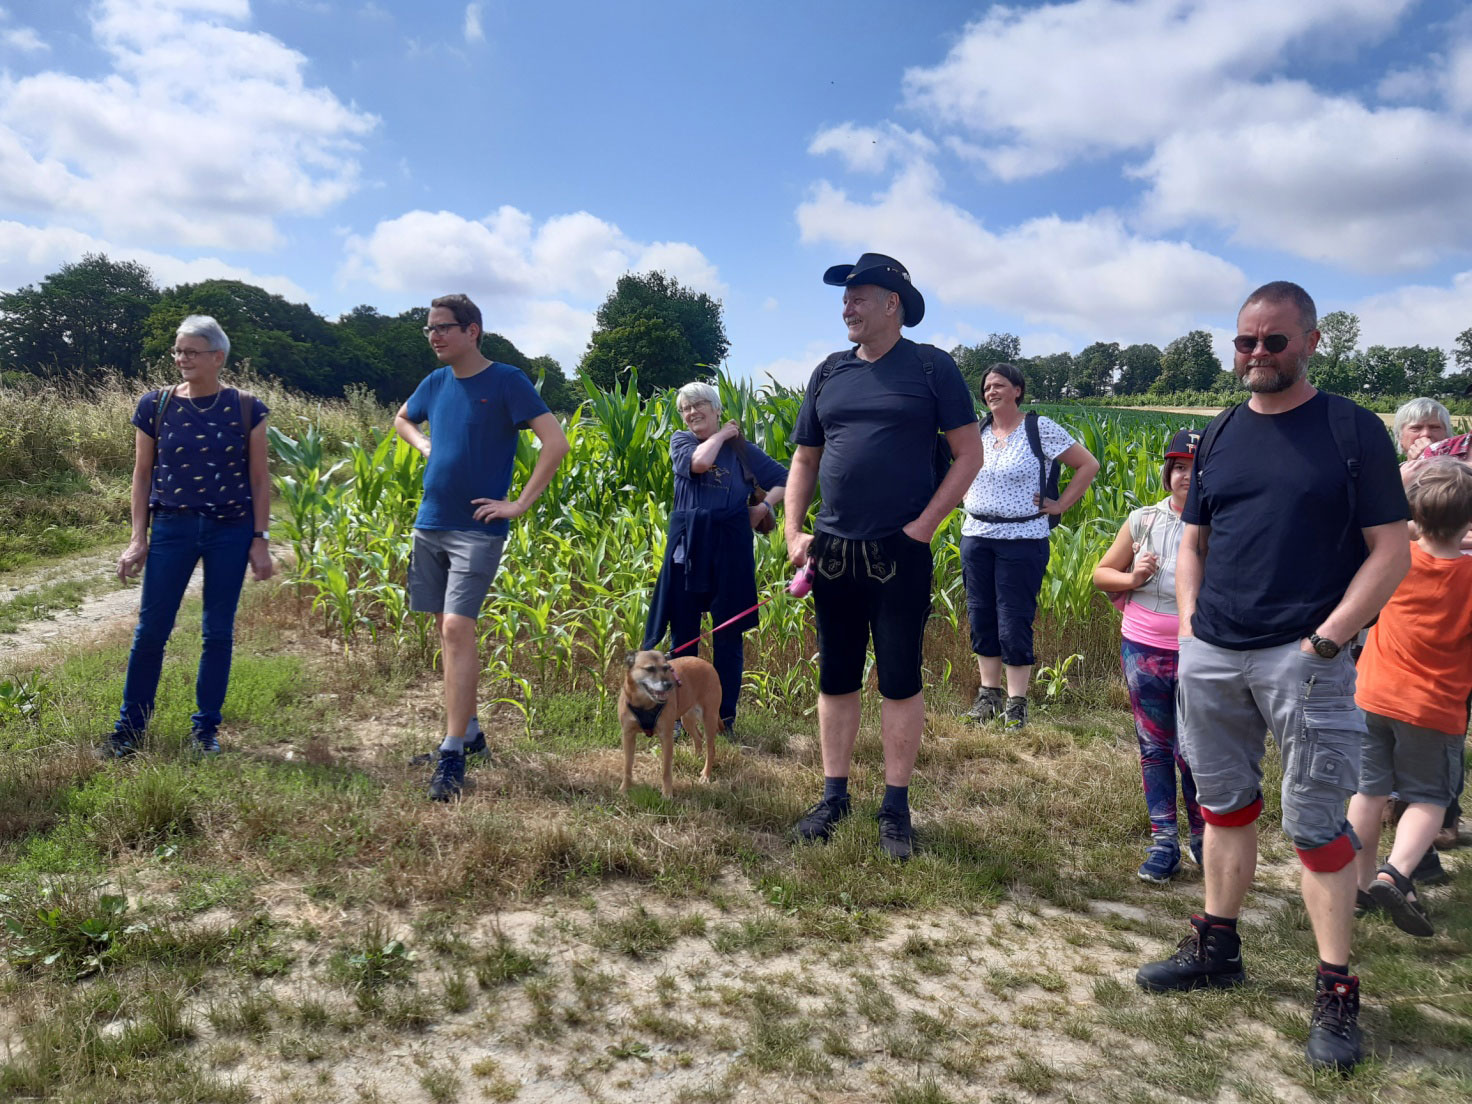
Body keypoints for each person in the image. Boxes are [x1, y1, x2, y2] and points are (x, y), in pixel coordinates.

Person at [1135, 281, 1409, 1073]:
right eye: (1245, 341)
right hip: (1214, 651)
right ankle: (1217, 948)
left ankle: (1335, 989)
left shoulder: (1352, 430)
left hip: (1306, 658)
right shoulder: (1222, 431)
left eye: (1274, 340)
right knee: (1223, 805)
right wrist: (1191, 628)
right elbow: (1194, 540)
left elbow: (1390, 550)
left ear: (1311, 343)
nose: (1257, 353)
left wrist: (1327, 640)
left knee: (1316, 824)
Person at [784, 253, 983, 860]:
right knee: (836, 674)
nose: (847, 307)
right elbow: (805, 459)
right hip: (833, 550)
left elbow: (969, 455)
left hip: (900, 551)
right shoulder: (828, 372)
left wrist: (923, 527)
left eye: (858, 297)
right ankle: (834, 797)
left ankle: (895, 808)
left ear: (892, 303)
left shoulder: (930, 368)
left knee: (899, 678)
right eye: (844, 299)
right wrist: (793, 532)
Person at [394, 294, 569, 801]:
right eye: (429, 328)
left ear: (472, 331)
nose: (434, 336)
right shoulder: (435, 382)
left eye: (443, 327)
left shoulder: (507, 381)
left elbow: (555, 443)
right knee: (445, 630)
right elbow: (403, 418)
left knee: (456, 627)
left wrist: (519, 504)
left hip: (476, 527)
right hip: (431, 522)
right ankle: (469, 734)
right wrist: (424, 445)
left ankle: (451, 752)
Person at [102, 315, 274, 758]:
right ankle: (129, 731)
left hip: (230, 530)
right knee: (151, 632)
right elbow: (142, 475)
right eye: (178, 351)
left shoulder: (247, 408)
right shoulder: (155, 405)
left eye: (191, 351)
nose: (182, 358)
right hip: (172, 528)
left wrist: (260, 539)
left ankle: (205, 732)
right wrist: (138, 538)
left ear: (218, 357)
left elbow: (259, 479)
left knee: (217, 633)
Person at [1345, 459, 1472, 937]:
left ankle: (1359, 886)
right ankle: (1395, 873)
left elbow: (1367, 522)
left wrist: (1398, 482)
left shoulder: (1396, 557)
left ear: (1414, 512)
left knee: (1368, 792)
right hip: (1432, 708)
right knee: (1429, 798)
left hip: (1372, 694)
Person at [643, 381, 787, 734]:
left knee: (729, 635)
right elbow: (700, 463)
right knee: (684, 637)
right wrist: (722, 435)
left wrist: (763, 508)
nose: (692, 412)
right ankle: (679, 718)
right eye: (685, 408)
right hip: (688, 550)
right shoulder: (682, 441)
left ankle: (723, 719)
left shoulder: (743, 451)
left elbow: (786, 478)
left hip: (731, 547)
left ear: (716, 408)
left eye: (699, 405)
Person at [1092, 428, 1203, 883]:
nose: (1186, 476)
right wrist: (1134, 577)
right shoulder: (1143, 520)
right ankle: (1164, 841)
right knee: (1155, 745)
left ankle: (1204, 838)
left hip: (1199, 650)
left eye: (1196, 468)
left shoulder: (1223, 524)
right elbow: (1101, 574)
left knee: (1195, 748)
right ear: (1167, 472)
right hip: (1144, 646)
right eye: (1178, 466)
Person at [960, 363, 1098, 728]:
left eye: (999, 385)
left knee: (1014, 619)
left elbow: (1088, 464)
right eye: (987, 387)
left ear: (1017, 390)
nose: (991, 391)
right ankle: (988, 697)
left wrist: (1061, 504)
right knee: (981, 616)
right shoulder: (977, 431)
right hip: (976, 536)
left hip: (1022, 539)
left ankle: (1016, 704)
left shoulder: (1039, 428)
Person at [1392, 397, 1451, 462]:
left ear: (1447, 435)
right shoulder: (1387, 467)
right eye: (1416, 428)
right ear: (1400, 437)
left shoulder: (1459, 467)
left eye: (1435, 427)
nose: (1426, 434)